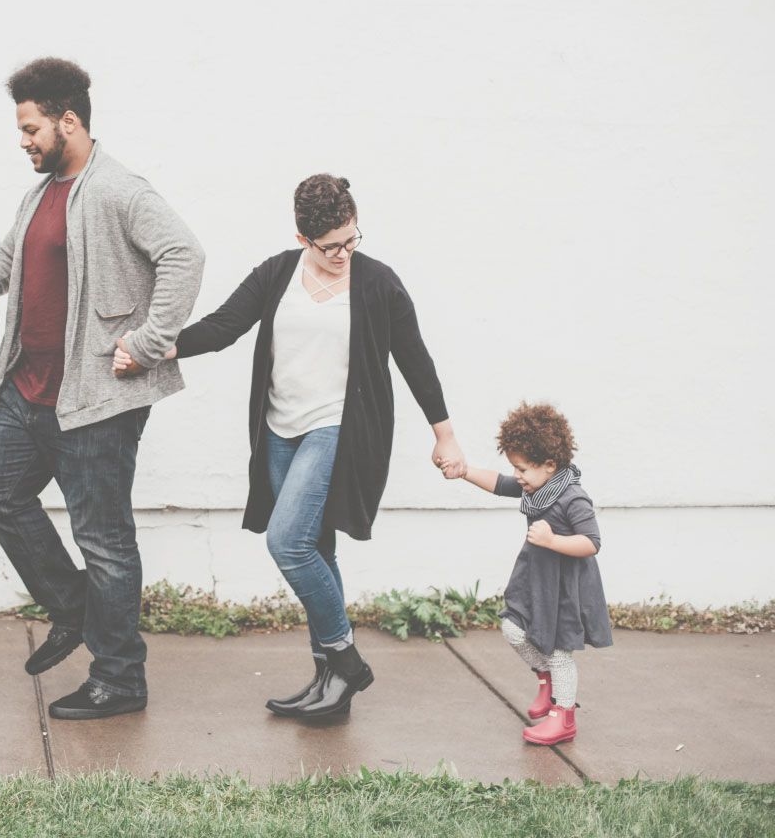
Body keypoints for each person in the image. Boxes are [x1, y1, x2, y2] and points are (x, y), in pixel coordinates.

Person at [114, 174, 465, 718]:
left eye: (352, 240)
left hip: (337, 429)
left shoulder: (378, 284)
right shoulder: (279, 273)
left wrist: (444, 434)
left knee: (288, 543)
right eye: (330, 247)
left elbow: (415, 359)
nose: (343, 254)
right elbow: (224, 326)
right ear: (304, 239)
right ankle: (330, 685)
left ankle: (346, 660)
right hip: (279, 431)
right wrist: (155, 349)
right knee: (316, 549)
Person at [0, 57, 204, 720]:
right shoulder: (41, 193)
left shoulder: (118, 189)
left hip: (94, 400)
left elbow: (185, 254)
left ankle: (120, 677)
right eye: (22, 128)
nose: (24, 140)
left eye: (32, 127)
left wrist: (148, 342)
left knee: (104, 539)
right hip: (29, 389)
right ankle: (72, 609)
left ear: (68, 121)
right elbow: (11, 252)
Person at [442, 402, 611, 745]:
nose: (517, 475)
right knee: (513, 628)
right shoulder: (536, 487)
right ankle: (545, 680)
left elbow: (591, 542)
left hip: (564, 587)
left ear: (550, 465)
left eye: (522, 468)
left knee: (558, 651)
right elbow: (500, 483)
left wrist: (552, 540)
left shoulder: (572, 497)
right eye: (515, 467)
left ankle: (563, 717)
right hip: (535, 580)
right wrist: (464, 471)